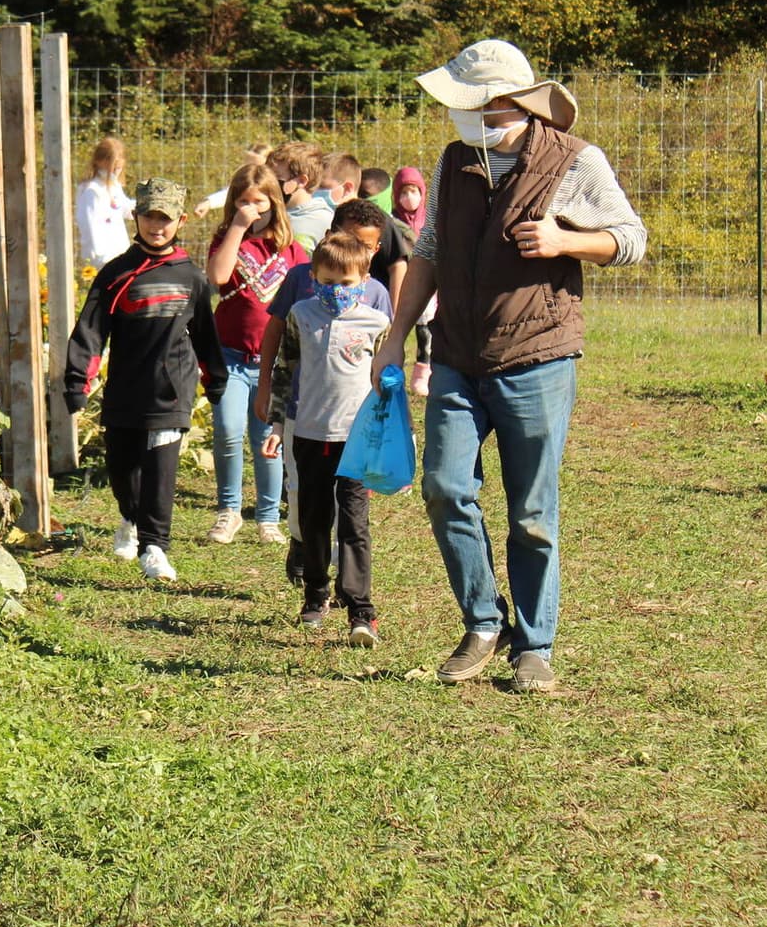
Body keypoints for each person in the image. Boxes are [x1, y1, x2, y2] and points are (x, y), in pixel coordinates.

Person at [370, 39, 645, 693]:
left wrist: (565, 240)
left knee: (531, 511)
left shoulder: (576, 162)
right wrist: (397, 332)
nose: (462, 118)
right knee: (442, 486)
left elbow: (631, 240)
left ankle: (535, 645)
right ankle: (483, 622)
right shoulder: (455, 159)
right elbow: (431, 246)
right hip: (459, 356)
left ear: (512, 104)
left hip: (537, 356)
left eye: (474, 107)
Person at [64, 177, 226, 584]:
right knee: (122, 469)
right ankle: (129, 517)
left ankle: (154, 547)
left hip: (172, 391)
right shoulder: (116, 275)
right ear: (135, 217)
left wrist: (215, 380)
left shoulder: (191, 277)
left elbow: (206, 334)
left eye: (166, 219)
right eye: (149, 217)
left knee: (161, 470)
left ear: (181, 221)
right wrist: (76, 383)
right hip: (125, 390)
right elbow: (90, 331)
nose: (157, 226)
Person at [262, 231, 392, 646]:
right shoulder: (302, 315)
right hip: (310, 433)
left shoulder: (377, 322)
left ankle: (360, 610)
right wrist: (277, 425)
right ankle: (315, 594)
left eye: (346, 283)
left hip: (355, 439)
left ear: (364, 278)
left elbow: (387, 383)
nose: (336, 291)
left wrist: (390, 434)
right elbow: (285, 370)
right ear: (314, 277)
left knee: (354, 524)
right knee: (314, 521)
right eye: (327, 282)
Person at [203, 163, 308, 545]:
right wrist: (236, 227)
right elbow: (217, 276)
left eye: (259, 202)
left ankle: (267, 517)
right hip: (230, 357)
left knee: (268, 440)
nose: (252, 209)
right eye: (243, 202)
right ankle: (228, 511)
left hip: (273, 365)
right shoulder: (227, 238)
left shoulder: (292, 251)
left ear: (274, 204)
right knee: (228, 431)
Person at [389, 166, 436, 397]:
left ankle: (423, 370)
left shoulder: (431, 218)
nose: (410, 198)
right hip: (399, 282)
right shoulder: (392, 222)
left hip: (427, 283)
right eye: (404, 192)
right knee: (395, 328)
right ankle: (393, 369)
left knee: (425, 329)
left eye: (414, 191)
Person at [76, 138, 135, 266]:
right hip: (101, 261)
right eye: (113, 169)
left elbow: (127, 210)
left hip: (119, 256)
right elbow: (91, 229)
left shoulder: (114, 186)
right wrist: (102, 261)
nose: (116, 173)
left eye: (119, 169)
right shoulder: (91, 191)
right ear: (99, 162)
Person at [268, 142, 332, 248]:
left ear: (302, 181)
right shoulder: (269, 214)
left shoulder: (325, 221)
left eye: (277, 176)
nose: (269, 182)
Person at [195, 143, 273, 216]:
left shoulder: (272, 184)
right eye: (247, 164)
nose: (251, 169)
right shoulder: (243, 180)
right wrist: (208, 202)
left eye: (257, 166)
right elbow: (229, 193)